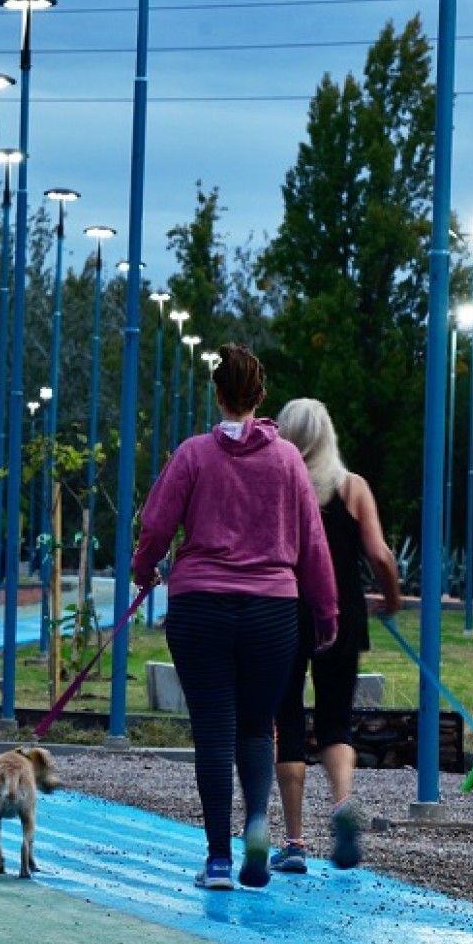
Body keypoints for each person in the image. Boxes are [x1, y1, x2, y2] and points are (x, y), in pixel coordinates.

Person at [131, 344, 338, 891]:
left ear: (217, 394)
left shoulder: (193, 455)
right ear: (260, 396)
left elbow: (156, 523)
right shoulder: (289, 460)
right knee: (255, 727)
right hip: (272, 612)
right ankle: (257, 825)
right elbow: (312, 543)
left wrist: (142, 567)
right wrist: (326, 608)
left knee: (214, 733)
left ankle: (218, 860)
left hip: (200, 608)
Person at [271, 397, 403, 873]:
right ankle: (343, 808)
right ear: (329, 435)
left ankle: (294, 842)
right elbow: (380, 555)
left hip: (283, 610)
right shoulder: (353, 488)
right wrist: (391, 598)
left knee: (286, 720)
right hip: (343, 613)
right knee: (336, 719)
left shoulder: (277, 487)